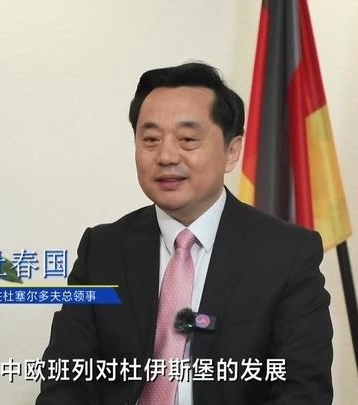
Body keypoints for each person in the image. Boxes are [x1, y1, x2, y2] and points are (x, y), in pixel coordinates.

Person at [36, 62, 333, 405]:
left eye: (188, 140)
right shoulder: (102, 249)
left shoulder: (286, 253)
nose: (165, 156)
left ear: (231, 151)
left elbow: (303, 391)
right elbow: (66, 380)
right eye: (151, 140)